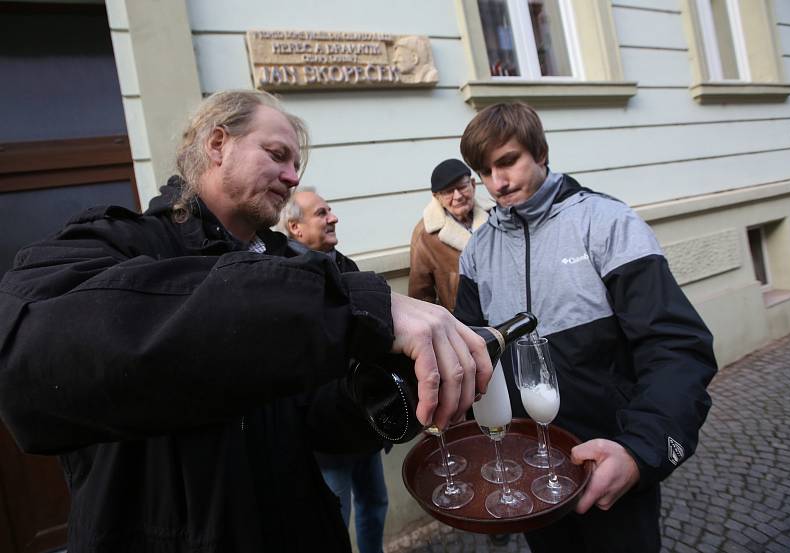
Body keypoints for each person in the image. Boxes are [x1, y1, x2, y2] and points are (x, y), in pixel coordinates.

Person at [0, 90, 493, 553]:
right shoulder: (119, 243)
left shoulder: (310, 268)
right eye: (278, 154)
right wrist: (351, 305)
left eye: (297, 164)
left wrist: (390, 395)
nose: (293, 176)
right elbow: (29, 362)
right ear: (218, 143)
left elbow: (322, 422)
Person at [454, 102, 718, 552]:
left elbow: (676, 347)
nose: (496, 183)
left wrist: (640, 450)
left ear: (540, 152)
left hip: (609, 460)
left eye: (507, 162)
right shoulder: (477, 251)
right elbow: (475, 359)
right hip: (530, 466)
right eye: (484, 170)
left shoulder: (608, 222)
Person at [277, 187, 388, 553]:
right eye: (322, 213)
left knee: (375, 505)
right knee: (332, 522)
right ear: (295, 228)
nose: (333, 217)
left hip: (363, 423)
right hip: (325, 437)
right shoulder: (283, 279)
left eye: (330, 211)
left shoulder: (344, 266)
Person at [408, 159, 490, 311]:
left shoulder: (496, 216)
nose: (457, 196)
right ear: (436, 197)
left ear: (473, 184)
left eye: (462, 187)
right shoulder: (425, 235)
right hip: (463, 322)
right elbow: (420, 295)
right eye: (448, 192)